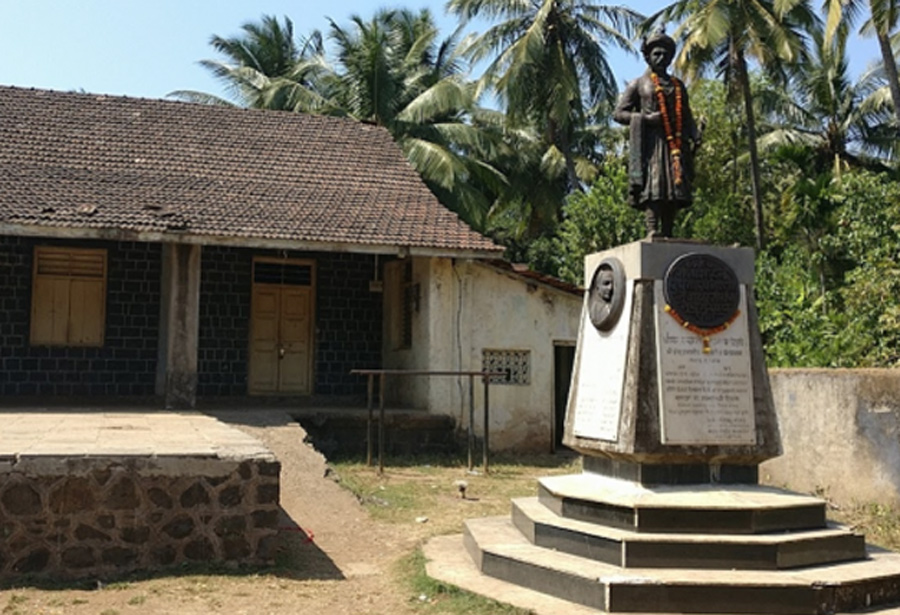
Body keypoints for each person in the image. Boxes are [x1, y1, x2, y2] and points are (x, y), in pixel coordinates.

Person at [613, 30, 700, 238]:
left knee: (673, 190)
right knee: (654, 187)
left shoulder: (678, 86)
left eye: (665, 55)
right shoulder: (639, 84)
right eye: (656, 54)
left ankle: (669, 230)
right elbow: (618, 114)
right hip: (651, 144)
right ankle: (652, 229)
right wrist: (645, 119)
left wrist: (695, 133)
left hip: (675, 145)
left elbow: (686, 116)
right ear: (648, 57)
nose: (661, 59)